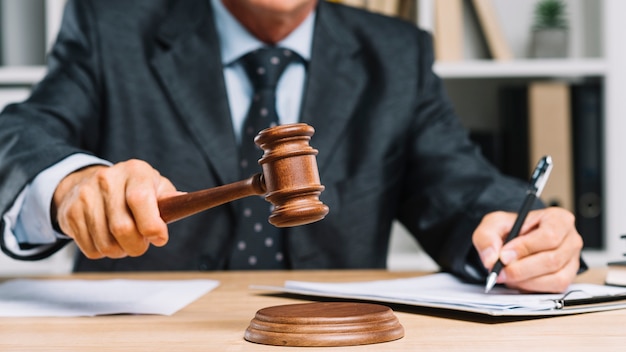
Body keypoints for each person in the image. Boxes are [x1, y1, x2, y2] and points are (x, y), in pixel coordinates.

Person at [0, 0, 583, 293]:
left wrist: (521, 230)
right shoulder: (111, 26)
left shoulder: (397, 53)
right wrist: (69, 183)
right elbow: (20, 134)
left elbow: (459, 188)